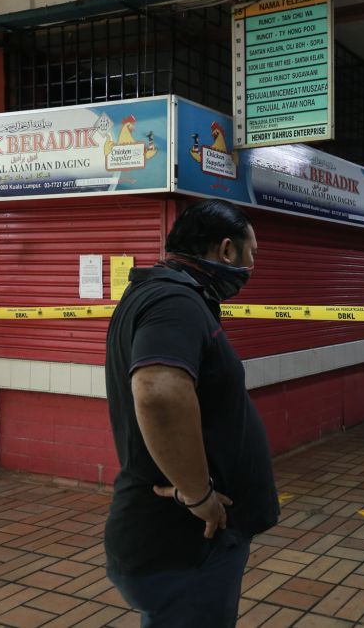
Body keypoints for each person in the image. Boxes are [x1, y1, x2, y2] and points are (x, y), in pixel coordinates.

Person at [104, 199, 279, 627]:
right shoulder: (174, 300)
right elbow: (158, 392)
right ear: (225, 250)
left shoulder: (163, 294)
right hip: (187, 541)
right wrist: (199, 496)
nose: (251, 268)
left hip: (175, 542)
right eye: (250, 255)